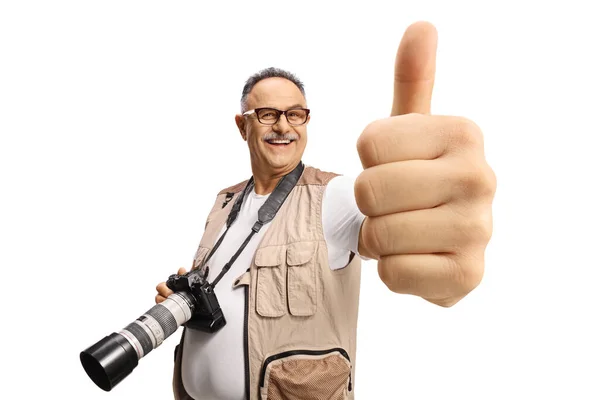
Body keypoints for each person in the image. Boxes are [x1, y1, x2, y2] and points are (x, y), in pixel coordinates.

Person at [155, 21, 496, 400]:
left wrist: (435, 224)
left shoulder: (333, 195)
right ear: (242, 126)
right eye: (267, 114)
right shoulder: (224, 201)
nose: (283, 125)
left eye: (295, 114)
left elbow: (385, 222)